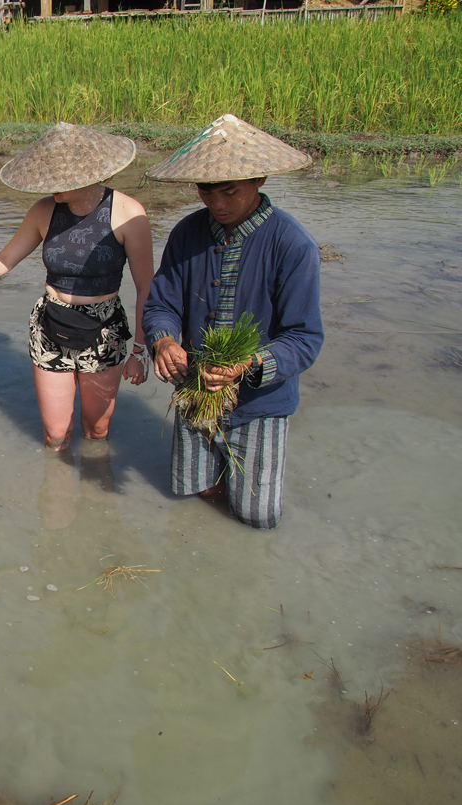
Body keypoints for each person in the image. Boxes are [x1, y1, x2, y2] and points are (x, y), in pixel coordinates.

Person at [142, 114, 324, 529]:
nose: (217, 203)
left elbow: (304, 338)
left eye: (230, 191)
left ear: (259, 180)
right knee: (197, 492)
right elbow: (161, 304)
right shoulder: (187, 234)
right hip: (194, 387)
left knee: (257, 516)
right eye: (206, 190)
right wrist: (164, 341)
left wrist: (248, 364)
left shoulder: (293, 245)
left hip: (261, 403)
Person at [0, 122, 154, 450]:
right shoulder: (44, 210)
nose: (49, 185)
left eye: (58, 179)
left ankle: (96, 480)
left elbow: (146, 288)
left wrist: (140, 350)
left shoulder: (128, 213)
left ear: (84, 172)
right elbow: (6, 258)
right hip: (50, 326)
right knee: (56, 435)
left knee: (97, 429)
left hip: (103, 329)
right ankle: (56, 481)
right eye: (46, 178)